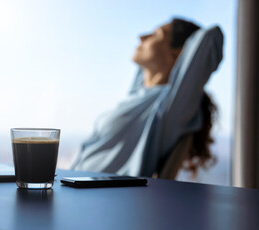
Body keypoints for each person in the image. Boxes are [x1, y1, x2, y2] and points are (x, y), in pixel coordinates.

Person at [71, 18, 223, 178]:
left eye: (156, 35)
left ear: (176, 54)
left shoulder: (168, 108)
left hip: (100, 196)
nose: (142, 37)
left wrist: (183, 51)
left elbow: (211, 37)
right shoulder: (137, 95)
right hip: (74, 185)